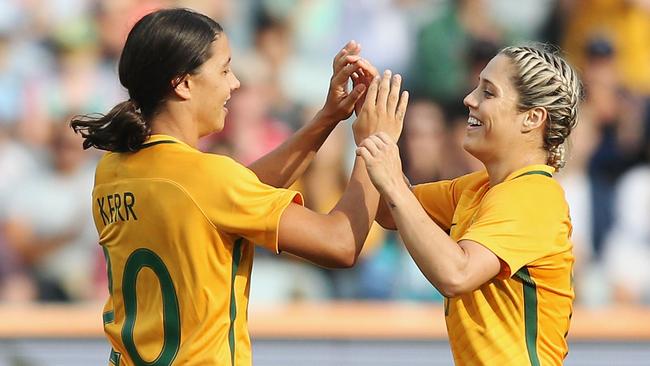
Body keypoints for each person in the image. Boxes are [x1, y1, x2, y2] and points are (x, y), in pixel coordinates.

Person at [69, 8, 408, 366]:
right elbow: (341, 243)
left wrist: (327, 118)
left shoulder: (111, 169)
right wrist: (376, 142)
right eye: (225, 69)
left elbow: (230, 194)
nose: (235, 84)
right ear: (183, 83)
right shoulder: (208, 179)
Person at [357, 45, 581, 365]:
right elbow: (388, 208)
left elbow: (456, 273)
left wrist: (390, 176)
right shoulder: (479, 188)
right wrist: (374, 129)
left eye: (488, 93)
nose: (469, 99)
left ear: (532, 118)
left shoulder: (534, 196)